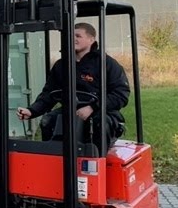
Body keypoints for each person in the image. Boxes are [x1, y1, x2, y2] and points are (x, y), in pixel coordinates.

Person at [17, 22, 130, 150]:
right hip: (70, 110)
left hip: (101, 111)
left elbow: (121, 94)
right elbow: (49, 94)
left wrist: (93, 107)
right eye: (71, 35)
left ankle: (96, 159)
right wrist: (32, 111)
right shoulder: (61, 65)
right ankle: (53, 158)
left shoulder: (106, 63)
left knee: (99, 124)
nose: (73, 39)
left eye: (78, 36)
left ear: (91, 40)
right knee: (48, 121)